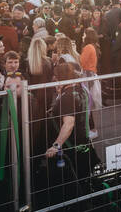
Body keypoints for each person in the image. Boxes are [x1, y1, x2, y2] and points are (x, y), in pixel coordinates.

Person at [44, 63, 99, 206]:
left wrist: (56, 145)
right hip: (83, 145)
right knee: (84, 185)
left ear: (60, 79)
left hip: (72, 150)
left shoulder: (67, 96)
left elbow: (69, 124)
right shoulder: (81, 89)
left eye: (55, 78)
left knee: (75, 190)